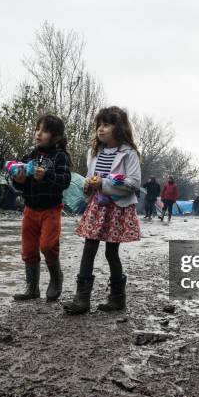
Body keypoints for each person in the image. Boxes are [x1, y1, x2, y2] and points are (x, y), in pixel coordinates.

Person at [63, 106, 141, 314]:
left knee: (111, 251)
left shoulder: (129, 153)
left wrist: (104, 183)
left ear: (120, 128)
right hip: (97, 206)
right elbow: (90, 177)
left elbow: (133, 182)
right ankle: (82, 299)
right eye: (99, 124)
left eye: (107, 124)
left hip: (117, 208)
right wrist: (89, 185)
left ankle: (117, 298)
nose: (101, 129)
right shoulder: (94, 152)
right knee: (89, 246)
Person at [11, 114, 71, 302]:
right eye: (37, 129)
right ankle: (32, 288)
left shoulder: (60, 156)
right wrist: (18, 180)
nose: (38, 133)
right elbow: (22, 186)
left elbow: (65, 181)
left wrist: (46, 175)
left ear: (56, 137)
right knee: (28, 249)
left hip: (51, 210)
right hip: (30, 210)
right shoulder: (30, 156)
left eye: (44, 130)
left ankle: (56, 278)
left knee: (47, 245)